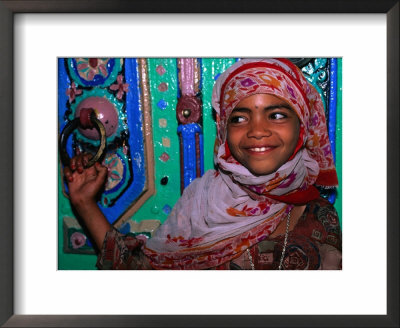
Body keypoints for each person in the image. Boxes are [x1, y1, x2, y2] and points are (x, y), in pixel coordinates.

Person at [64, 58, 342, 270]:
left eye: (278, 115)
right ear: (223, 132)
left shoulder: (320, 217)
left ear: (302, 127)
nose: (257, 130)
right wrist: (85, 205)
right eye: (239, 118)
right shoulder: (201, 204)